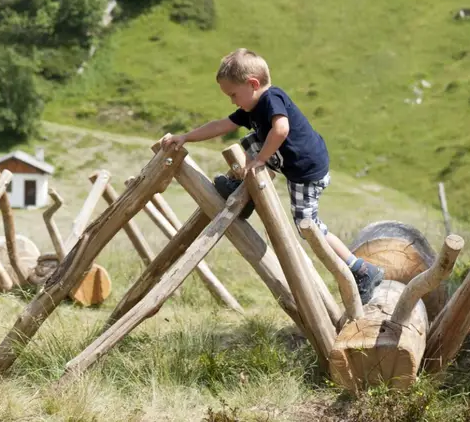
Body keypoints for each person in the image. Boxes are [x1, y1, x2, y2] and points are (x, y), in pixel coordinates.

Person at [161, 48, 384, 304]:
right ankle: (247, 194)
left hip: (307, 172)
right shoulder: (252, 108)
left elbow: (281, 129)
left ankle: (361, 270)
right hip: (293, 165)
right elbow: (221, 125)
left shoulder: (271, 98)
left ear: (253, 84)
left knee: (307, 227)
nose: (232, 101)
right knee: (250, 140)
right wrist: (185, 137)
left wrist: (260, 160)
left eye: (233, 94)